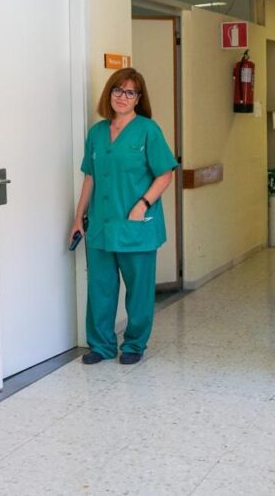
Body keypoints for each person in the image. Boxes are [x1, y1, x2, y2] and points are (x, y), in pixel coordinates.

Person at [70, 68, 177, 366]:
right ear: (110, 93)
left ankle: (134, 344)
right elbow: (90, 177)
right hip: (101, 224)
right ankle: (102, 345)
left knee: (139, 289)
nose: (122, 97)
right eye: (118, 90)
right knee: (100, 287)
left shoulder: (148, 130)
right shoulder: (97, 133)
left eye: (130, 92)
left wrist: (143, 204)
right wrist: (78, 217)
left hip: (135, 225)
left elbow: (165, 174)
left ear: (138, 98)